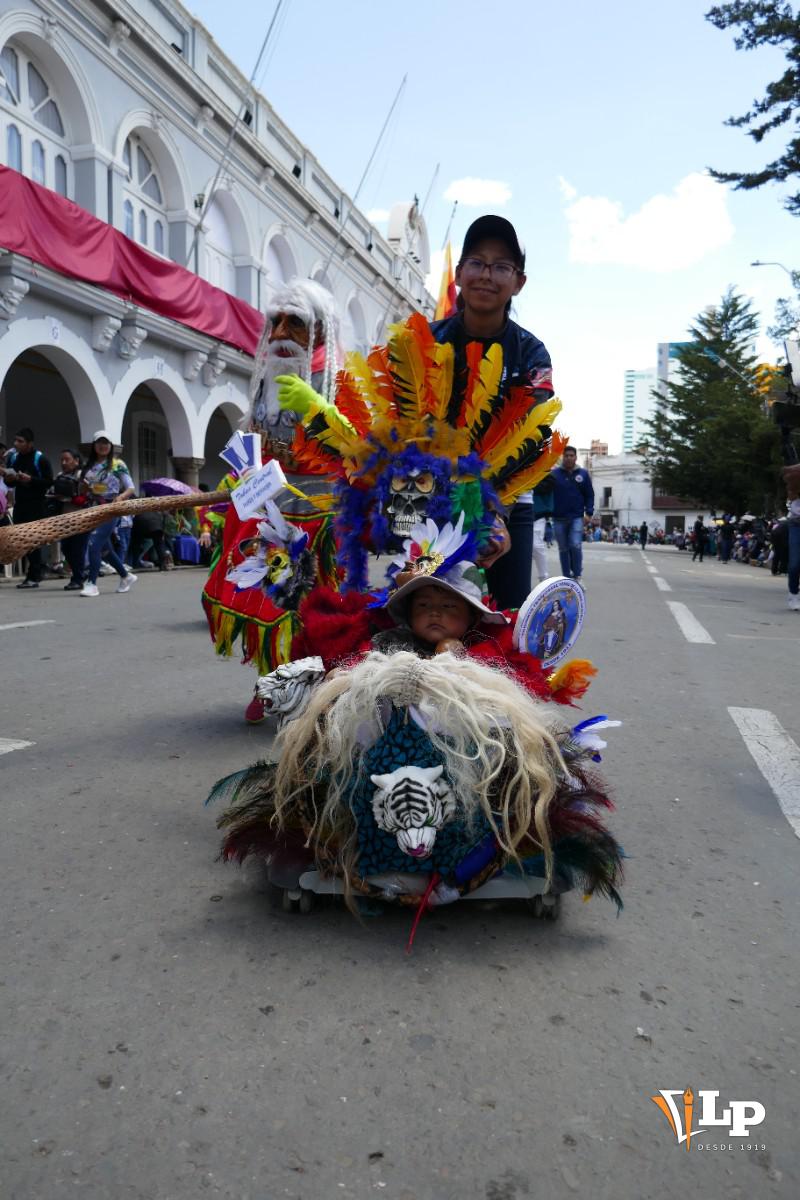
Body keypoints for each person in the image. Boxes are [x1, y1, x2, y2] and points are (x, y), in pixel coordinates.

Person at [201, 279, 343, 722]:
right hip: (269, 515)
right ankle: (272, 685)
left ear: (318, 329)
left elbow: (355, 447)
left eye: (294, 323)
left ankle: (320, 689)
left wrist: (322, 409)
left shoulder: (338, 382)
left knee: (315, 610)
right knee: (270, 600)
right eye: (275, 322)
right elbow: (254, 442)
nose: (281, 332)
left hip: (322, 523)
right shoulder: (263, 382)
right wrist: (241, 480)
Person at [429, 215, 554, 609]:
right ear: (459, 274)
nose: (487, 275)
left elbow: (533, 437)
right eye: (477, 263)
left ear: (519, 282)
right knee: (425, 614)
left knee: (503, 623)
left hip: (508, 504)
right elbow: (403, 426)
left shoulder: (532, 354)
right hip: (434, 501)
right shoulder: (426, 342)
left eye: (501, 266)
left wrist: (492, 509)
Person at [78, 432, 137, 597]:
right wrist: (83, 487)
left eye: (106, 443)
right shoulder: (88, 466)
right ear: (94, 445)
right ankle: (126, 576)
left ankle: (91, 583)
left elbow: (130, 487)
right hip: (92, 508)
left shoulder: (118, 464)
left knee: (94, 543)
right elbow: (84, 490)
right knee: (105, 549)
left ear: (110, 446)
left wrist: (121, 497)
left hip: (110, 507)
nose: (102, 446)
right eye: (99, 443)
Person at [0, 427, 54, 588]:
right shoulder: (14, 458)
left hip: (36, 504)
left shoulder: (40, 459)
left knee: (33, 540)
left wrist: (30, 479)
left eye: (20, 441)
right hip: (20, 504)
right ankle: (35, 572)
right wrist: (10, 477)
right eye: (15, 440)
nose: (16, 444)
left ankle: (35, 573)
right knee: (21, 539)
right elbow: (10, 483)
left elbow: (48, 482)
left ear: (30, 443)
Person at [550, 446, 594, 583]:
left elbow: (589, 494)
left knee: (575, 545)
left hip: (577, 517)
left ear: (575, 457)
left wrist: (589, 513)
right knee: (563, 548)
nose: (569, 458)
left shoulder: (583, 474)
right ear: (563, 457)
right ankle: (566, 578)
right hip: (558, 518)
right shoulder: (554, 474)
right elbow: (548, 493)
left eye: (571, 455)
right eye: (566, 455)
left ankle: (577, 576)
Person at [48, 449, 89, 589]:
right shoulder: (60, 476)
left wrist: (71, 498)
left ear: (76, 461)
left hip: (81, 517)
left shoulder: (82, 475)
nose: (63, 463)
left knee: (78, 549)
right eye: (62, 460)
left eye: (67, 459)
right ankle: (81, 574)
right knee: (66, 548)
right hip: (64, 517)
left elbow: (87, 497)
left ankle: (77, 579)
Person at [532, 477, 554, 583]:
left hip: (538, 513)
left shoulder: (547, 473)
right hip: (515, 510)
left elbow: (549, 485)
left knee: (536, 545)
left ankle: (544, 577)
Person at [784, 464, 800, 611]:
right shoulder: (796, 476)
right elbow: (784, 471)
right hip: (797, 524)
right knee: (795, 564)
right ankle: (793, 594)